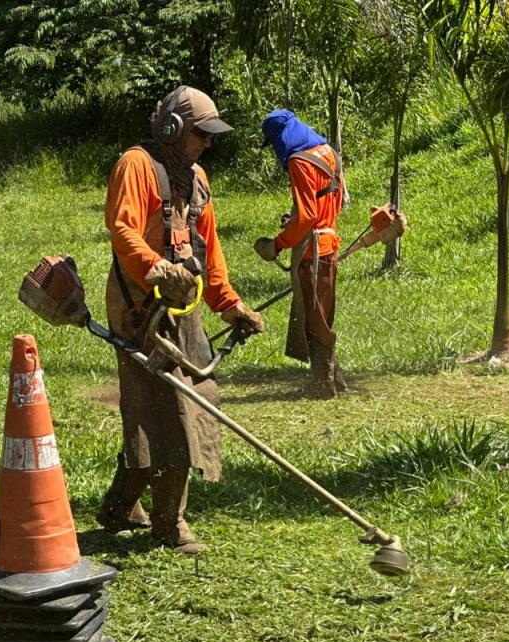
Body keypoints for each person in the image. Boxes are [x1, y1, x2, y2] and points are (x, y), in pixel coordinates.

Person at [99, 85, 264, 554]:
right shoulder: (136, 166)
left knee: (179, 403)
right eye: (201, 133)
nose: (208, 143)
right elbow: (123, 229)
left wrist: (231, 306)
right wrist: (156, 268)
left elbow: (209, 253)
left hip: (183, 305)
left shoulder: (198, 179)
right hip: (140, 308)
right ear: (172, 128)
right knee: (171, 409)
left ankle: (120, 506)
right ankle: (169, 523)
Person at [255, 110, 347, 399]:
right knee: (322, 312)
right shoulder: (328, 152)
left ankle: (323, 384)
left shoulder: (299, 161)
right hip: (329, 244)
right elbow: (329, 202)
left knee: (314, 318)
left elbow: (307, 217)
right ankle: (335, 378)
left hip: (312, 251)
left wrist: (278, 244)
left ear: (281, 137)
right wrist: (295, 220)